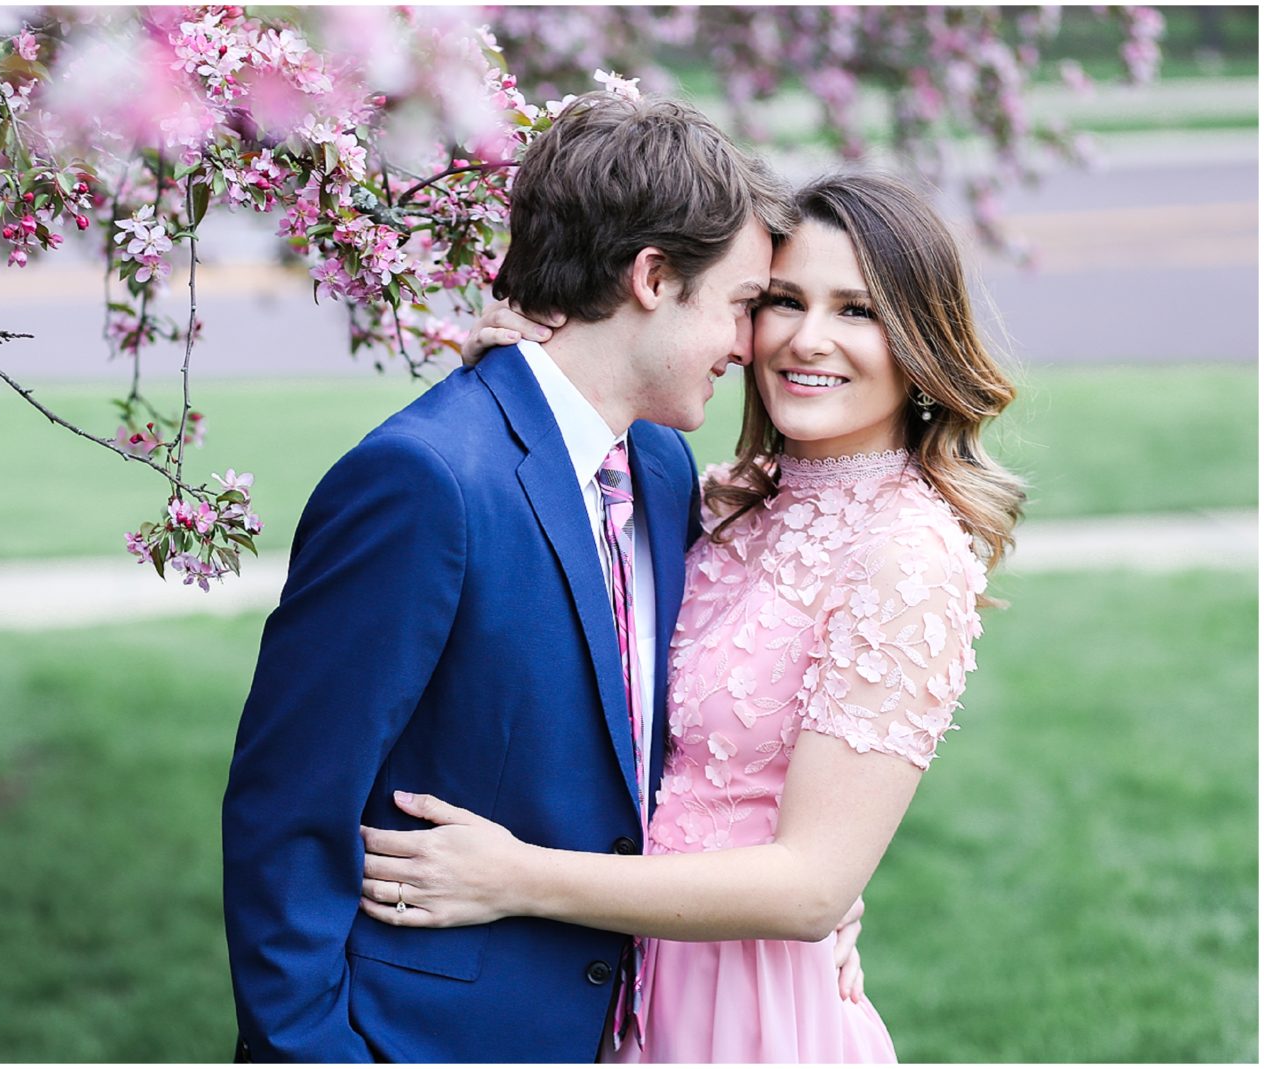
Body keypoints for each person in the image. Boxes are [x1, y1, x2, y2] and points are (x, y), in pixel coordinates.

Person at [220, 91, 860, 1062]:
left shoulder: (655, 465)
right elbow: (286, 809)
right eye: (740, 306)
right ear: (652, 275)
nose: (749, 345)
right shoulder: (425, 481)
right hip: (421, 1039)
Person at [357, 172, 1027, 1062]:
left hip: (742, 1006)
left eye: (856, 311)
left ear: (919, 337)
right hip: (607, 978)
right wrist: (522, 366)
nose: (805, 338)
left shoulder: (909, 552)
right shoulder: (711, 495)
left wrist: (513, 877)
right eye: (781, 300)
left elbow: (810, 888)